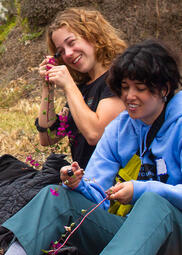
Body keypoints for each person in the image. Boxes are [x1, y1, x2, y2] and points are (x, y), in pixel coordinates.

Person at [3, 40, 182, 255]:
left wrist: (141, 190)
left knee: (153, 202)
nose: (129, 96)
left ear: (165, 88)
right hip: (133, 234)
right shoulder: (120, 128)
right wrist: (78, 183)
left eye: (140, 89)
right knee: (56, 196)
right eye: (124, 88)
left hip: (173, 231)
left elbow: (153, 199)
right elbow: (97, 189)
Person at [36, 8, 126, 169]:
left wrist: (69, 86)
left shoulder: (120, 78)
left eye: (71, 42)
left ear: (92, 35)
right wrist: (47, 86)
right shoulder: (82, 89)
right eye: (61, 52)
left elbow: (95, 135)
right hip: (83, 182)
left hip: (113, 185)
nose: (68, 54)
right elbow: (48, 138)